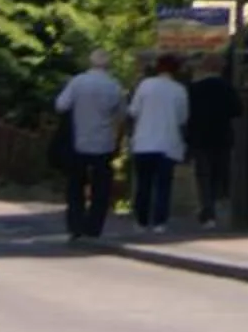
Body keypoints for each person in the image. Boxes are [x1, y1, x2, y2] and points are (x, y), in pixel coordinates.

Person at [53, 49, 126, 243]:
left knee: (76, 185)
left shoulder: (78, 82)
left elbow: (61, 105)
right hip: (104, 143)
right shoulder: (114, 85)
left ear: (90, 62)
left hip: (79, 141)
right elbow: (122, 114)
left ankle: (76, 225)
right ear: (108, 65)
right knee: (101, 187)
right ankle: (94, 227)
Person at [125, 53, 189, 235]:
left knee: (143, 184)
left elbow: (133, 111)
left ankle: (141, 221)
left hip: (144, 142)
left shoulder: (145, 85)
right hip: (168, 144)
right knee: (163, 185)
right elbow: (183, 118)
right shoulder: (179, 90)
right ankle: (160, 222)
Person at [184, 57, 241, 228]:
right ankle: (217, 204)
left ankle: (207, 211)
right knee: (219, 173)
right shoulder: (227, 88)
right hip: (222, 137)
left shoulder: (194, 89)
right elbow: (237, 110)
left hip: (200, 138)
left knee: (203, 175)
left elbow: (187, 114)